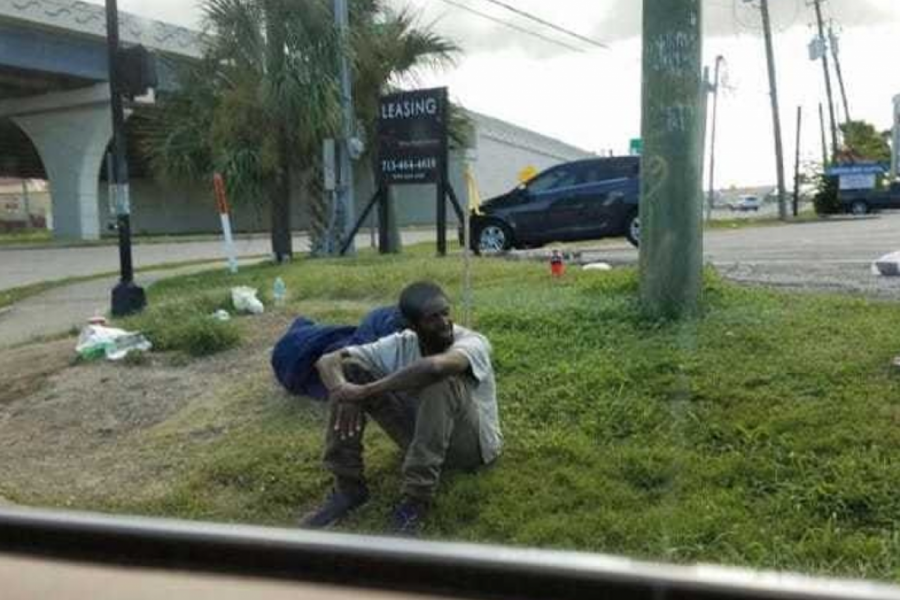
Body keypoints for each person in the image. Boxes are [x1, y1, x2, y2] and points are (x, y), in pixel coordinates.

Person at [300, 281, 501, 534]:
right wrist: (343, 390)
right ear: (412, 325)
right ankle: (349, 489)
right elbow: (327, 361)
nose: (444, 323)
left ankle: (416, 501)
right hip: (422, 436)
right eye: (432, 318)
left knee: (440, 380)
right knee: (351, 370)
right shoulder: (401, 343)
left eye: (446, 313)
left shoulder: (472, 342)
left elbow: (435, 368)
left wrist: (365, 391)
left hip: (471, 447)